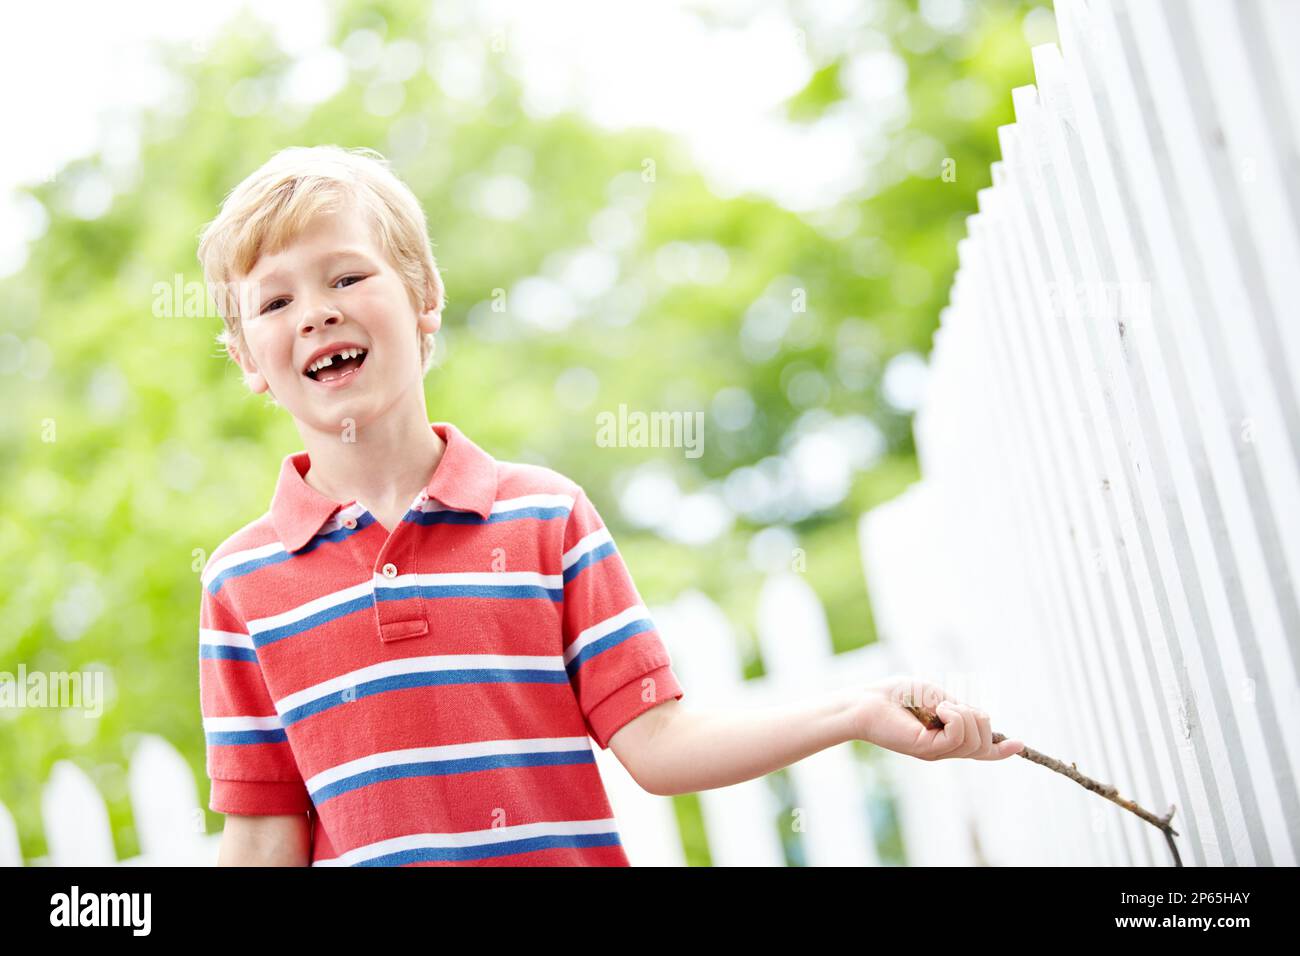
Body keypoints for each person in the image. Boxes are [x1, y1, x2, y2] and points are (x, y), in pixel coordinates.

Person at [195, 145, 1023, 867]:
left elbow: (658, 744)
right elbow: (264, 837)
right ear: (248, 359)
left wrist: (855, 711)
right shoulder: (241, 585)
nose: (317, 312)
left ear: (423, 298)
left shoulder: (545, 518)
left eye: (346, 275)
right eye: (275, 302)